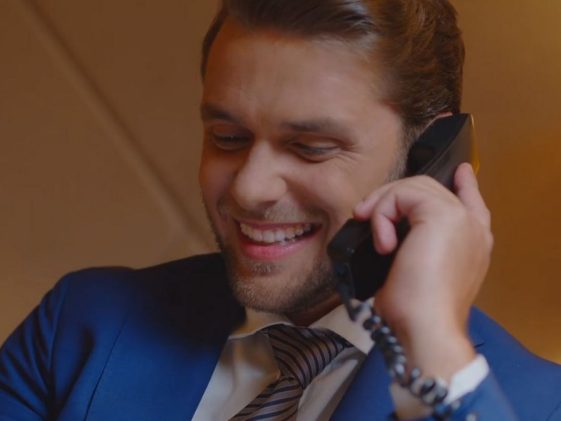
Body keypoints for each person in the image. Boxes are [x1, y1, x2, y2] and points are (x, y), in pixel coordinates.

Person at [2, 0, 561, 420]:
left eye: (310, 147)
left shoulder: (538, 404)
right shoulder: (80, 326)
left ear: (429, 158)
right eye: (227, 138)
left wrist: (432, 346)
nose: (249, 189)